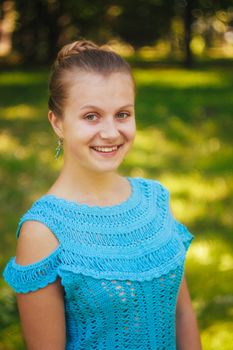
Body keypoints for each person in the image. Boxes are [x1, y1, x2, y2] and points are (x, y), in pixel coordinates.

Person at [3, 39, 202, 350]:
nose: (111, 133)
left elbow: (182, 315)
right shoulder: (43, 232)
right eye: (91, 116)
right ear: (57, 122)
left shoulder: (155, 201)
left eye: (122, 114)